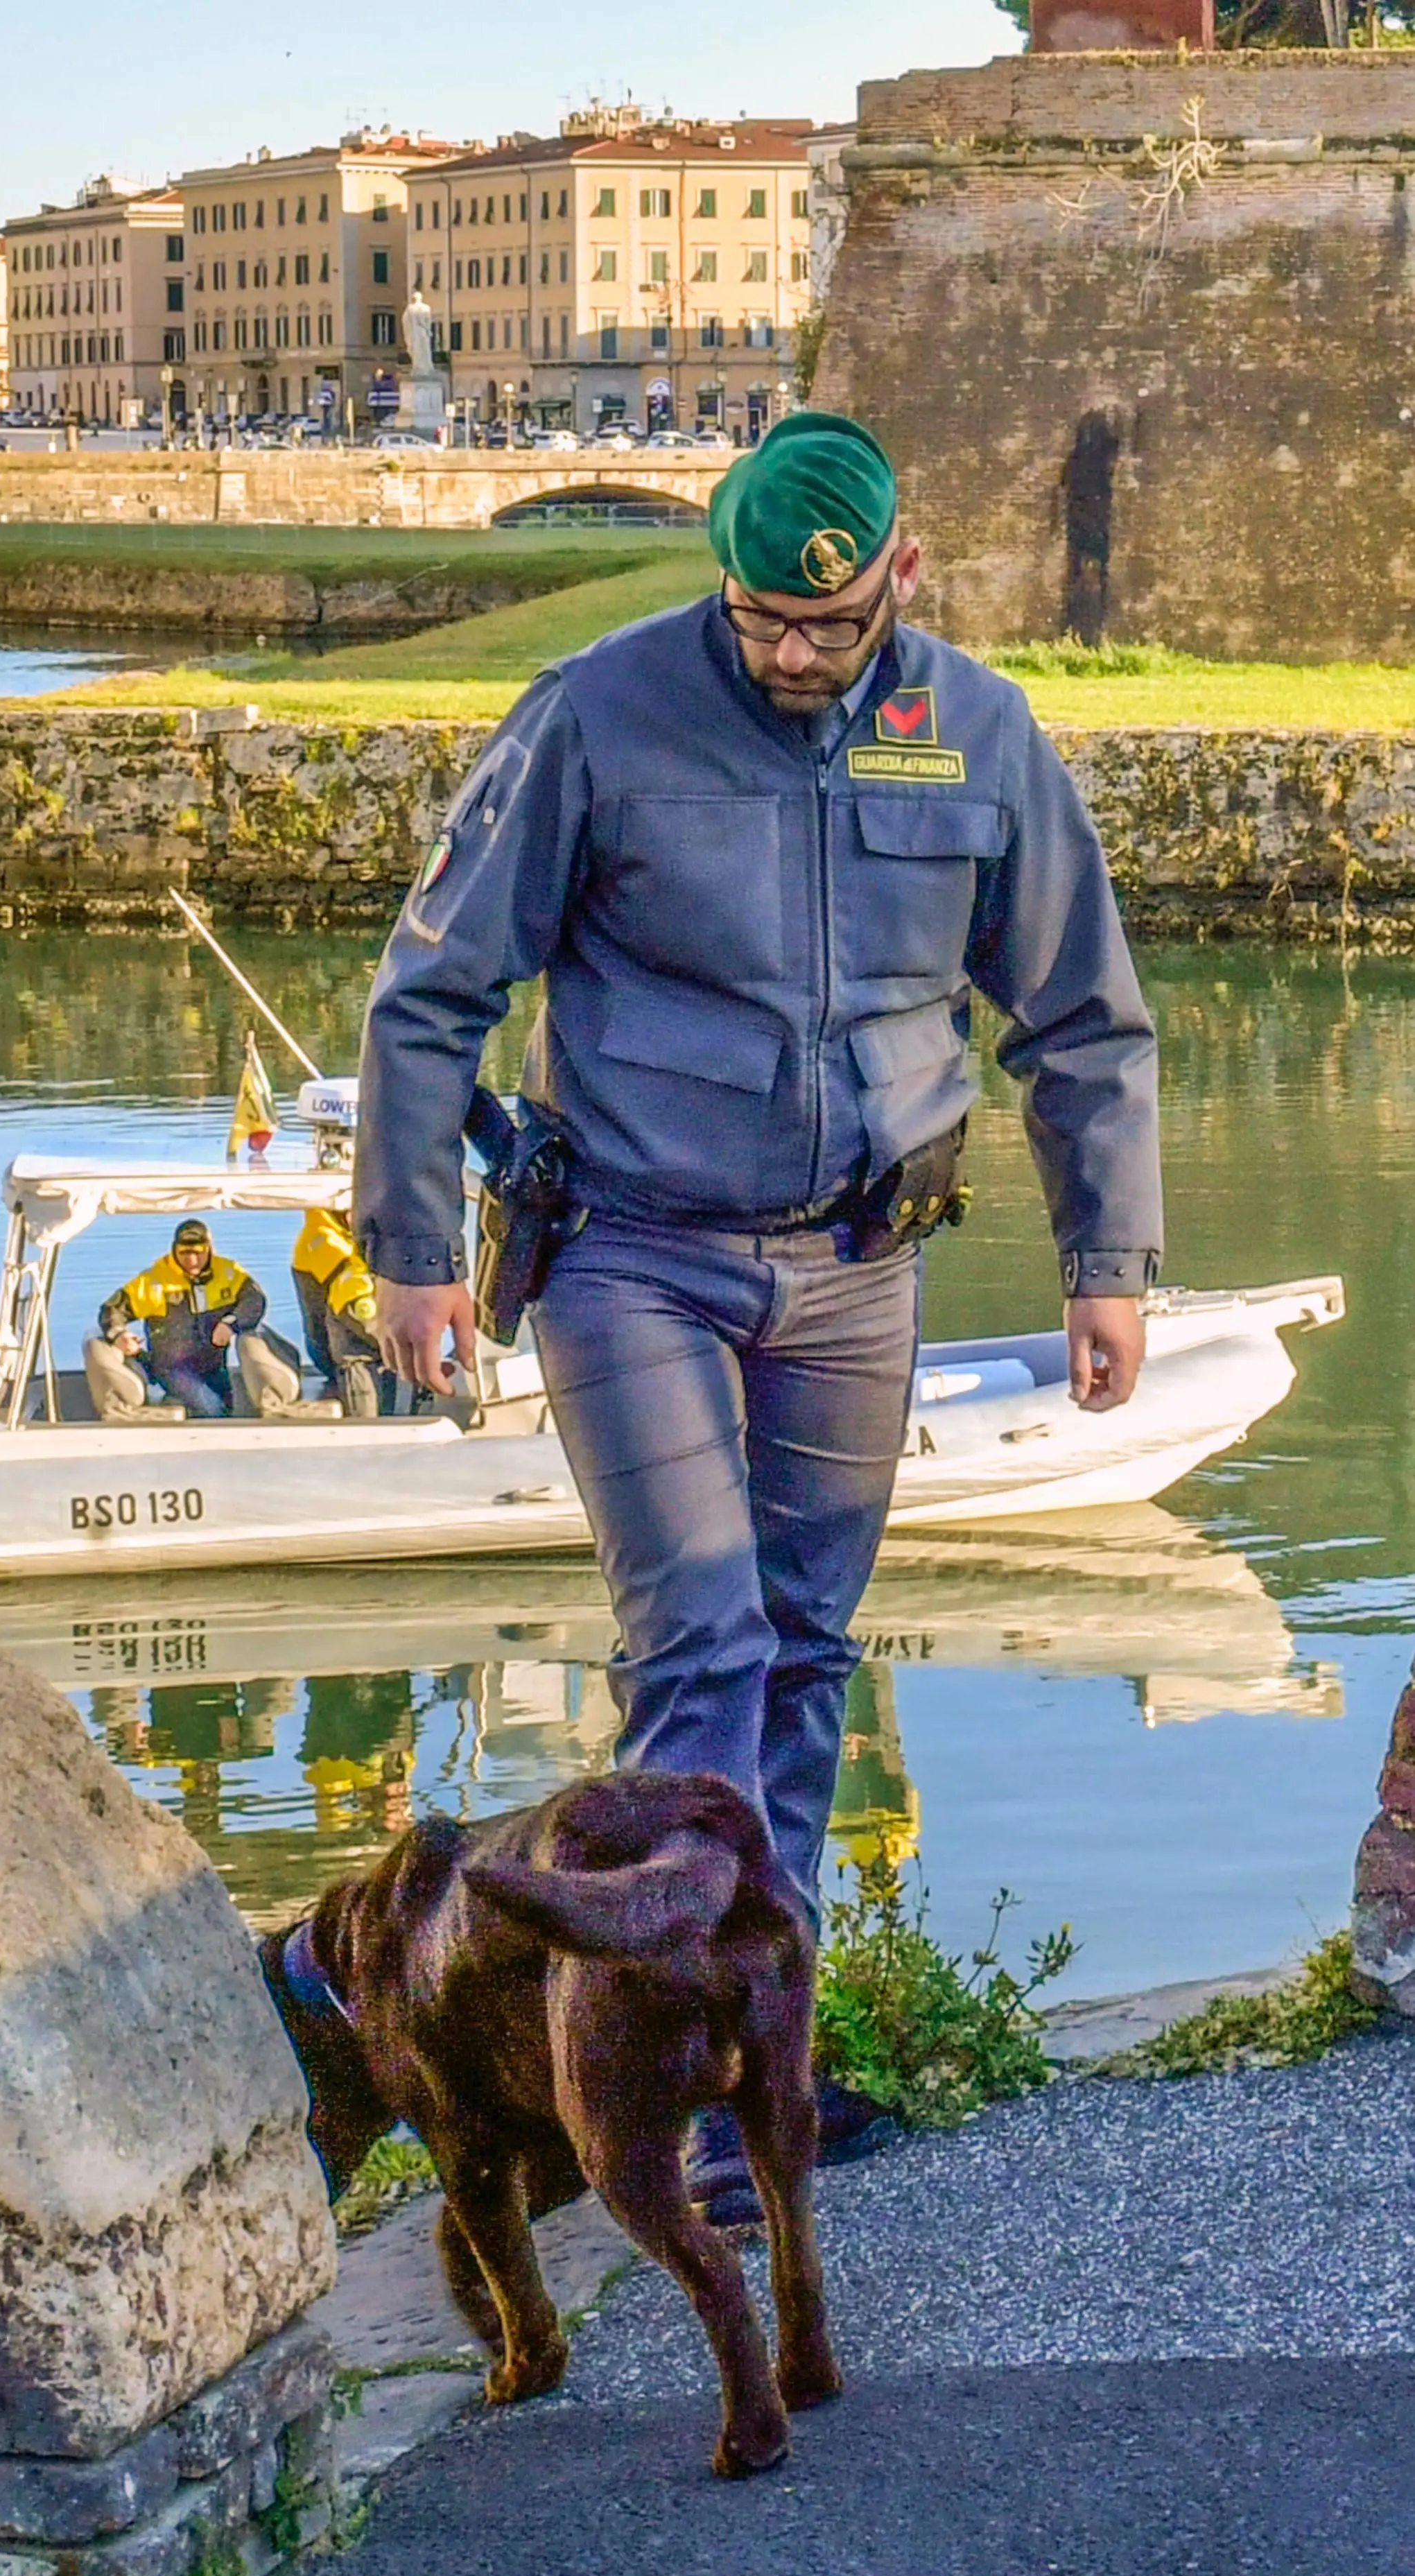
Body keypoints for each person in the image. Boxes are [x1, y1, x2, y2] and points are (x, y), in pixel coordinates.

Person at [356, 410, 1161, 2206]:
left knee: (803, 1655)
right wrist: (409, 1243)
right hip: (630, 1247)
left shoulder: (974, 733)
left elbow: (1081, 1018)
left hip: (857, 1261)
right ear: (717, 579)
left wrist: (1104, 1263)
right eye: (758, 620)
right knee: (701, 1649)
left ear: (902, 575)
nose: (792, 654)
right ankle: (668, 2084)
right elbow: (431, 991)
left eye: (830, 623)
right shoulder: (595, 715)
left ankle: (753, 2056)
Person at [94, 1218, 272, 1419]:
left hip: (213, 1365)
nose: (192, 1261)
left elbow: (255, 1300)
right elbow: (112, 1309)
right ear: (174, 1250)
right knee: (212, 1411)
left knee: (227, 1408)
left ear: (209, 1249)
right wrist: (119, 1334)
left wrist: (232, 1322)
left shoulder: (228, 1274)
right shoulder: (155, 1282)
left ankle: (183, 1410)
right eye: (185, 1254)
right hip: (171, 1368)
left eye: (198, 1253)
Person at [290, 1204, 387, 1419]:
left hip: (343, 1332)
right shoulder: (322, 1240)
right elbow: (351, 1297)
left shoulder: (344, 1236)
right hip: (329, 1345)